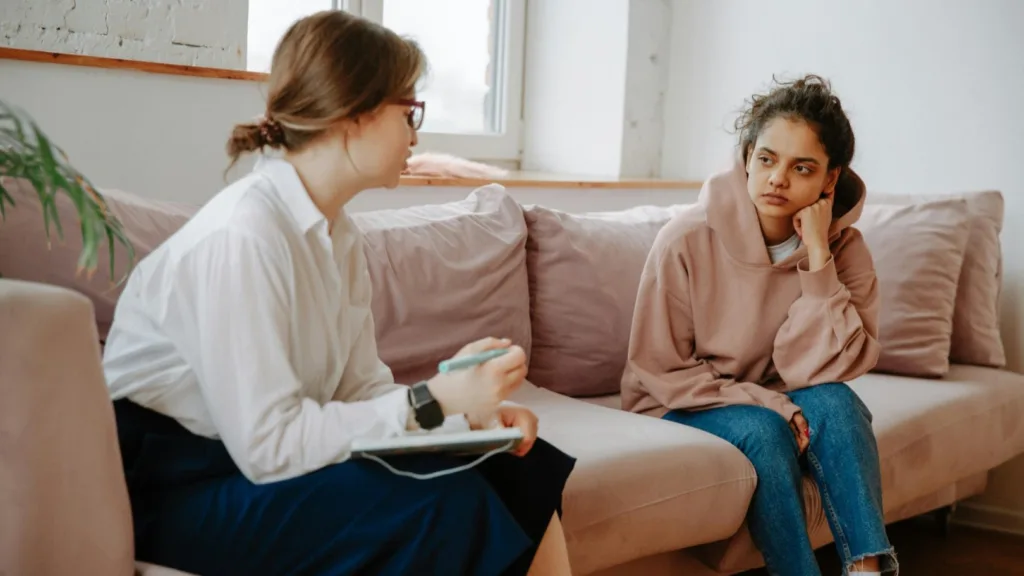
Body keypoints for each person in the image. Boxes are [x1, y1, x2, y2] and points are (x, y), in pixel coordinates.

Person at [102, 10, 575, 576]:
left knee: (516, 464)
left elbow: (360, 390)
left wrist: (470, 417)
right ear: (356, 115)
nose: (416, 135)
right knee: (441, 506)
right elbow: (269, 447)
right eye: (409, 112)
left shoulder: (338, 234)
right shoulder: (244, 235)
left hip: (245, 463)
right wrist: (435, 401)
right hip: (172, 487)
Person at [623, 75, 896, 576]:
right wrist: (769, 401)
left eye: (802, 167)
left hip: (781, 395)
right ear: (747, 156)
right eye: (767, 159)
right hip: (679, 402)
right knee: (765, 431)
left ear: (829, 180)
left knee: (837, 403)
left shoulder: (845, 251)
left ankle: (867, 570)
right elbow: (659, 369)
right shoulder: (685, 239)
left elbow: (832, 368)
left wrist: (817, 258)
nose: (777, 179)